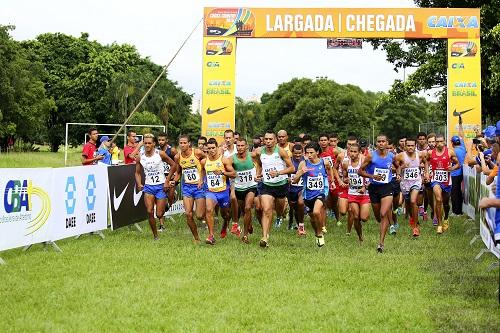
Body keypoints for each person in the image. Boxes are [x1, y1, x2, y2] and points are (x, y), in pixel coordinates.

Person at [252, 130, 295, 247]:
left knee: (279, 210)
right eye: (266, 139)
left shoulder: (281, 152)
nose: (268, 141)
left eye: (270, 139)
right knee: (266, 209)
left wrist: (278, 173)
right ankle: (265, 237)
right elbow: (260, 165)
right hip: (267, 185)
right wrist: (258, 174)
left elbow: (291, 168)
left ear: (275, 140)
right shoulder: (260, 152)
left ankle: (282, 213)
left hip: (281, 185)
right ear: (263, 140)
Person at [359, 134, 397, 253]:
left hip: (387, 186)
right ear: (376, 143)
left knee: (383, 213)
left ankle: (381, 244)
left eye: (383, 141)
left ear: (387, 143)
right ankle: (383, 225)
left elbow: (397, 166)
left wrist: (398, 172)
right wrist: (372, 176)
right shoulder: (371, 156)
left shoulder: (391, 156)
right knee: (377, 215)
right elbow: (360, 171)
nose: (381, 143)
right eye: (379, 141)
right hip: (374, 188)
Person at [292, 142, 336, 247]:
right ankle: (317, 233)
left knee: (317, 212)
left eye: (311, 152)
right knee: (312, 218)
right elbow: (294, 180)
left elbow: (330, 169)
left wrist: (332, 181)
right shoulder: (303, 164)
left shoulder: (324, 162)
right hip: (308, 194)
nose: (309, 155)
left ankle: (320, 233)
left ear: (317, 152)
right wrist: (301, 173)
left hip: (321, 191)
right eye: (307, 153)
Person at [134, 134, 177, 240]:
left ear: (154, 144)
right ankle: (155, 235)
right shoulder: (140, 156)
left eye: (149, 143)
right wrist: (139, 183)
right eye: (145, 143)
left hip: (160, 186)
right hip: (148, 187)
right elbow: (137, 173)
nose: (147, 145)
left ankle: (167, 201)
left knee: (159, 214)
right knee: (149, 211)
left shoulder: (160, 154)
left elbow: (174, 165)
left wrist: (167, 181)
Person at [201, 138, 236, 245]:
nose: (211, 150)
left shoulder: (224, 160)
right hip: (210, 191)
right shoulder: (204, 161)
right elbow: (203, 170)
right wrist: (200, 180)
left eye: (213, 148)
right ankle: (211, 235)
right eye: (209, 149)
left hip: (223, 192)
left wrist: (222, 172)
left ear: (217, 148)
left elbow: (234, 174)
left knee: (225, 214)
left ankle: (225, 223)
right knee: (208, 209)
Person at [424, 134, 461, 234]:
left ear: (444, 142)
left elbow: (458, 164)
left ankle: (446, 217)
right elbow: (426, 161)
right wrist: (427, 173)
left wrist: (452, 168)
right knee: (438, 199)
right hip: (435, 179)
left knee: (445, 203)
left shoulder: (450, 152)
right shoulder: (431, 152)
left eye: (441, 141)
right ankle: (439, 224)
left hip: (446, 180)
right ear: (435, 142)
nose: (439, 144)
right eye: (437, 142)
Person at [174, 134, 207, 243]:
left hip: (199, 186)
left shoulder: (197, 153)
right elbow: (178, 172)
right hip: (187, 187)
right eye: (180, 143)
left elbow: (207, 163)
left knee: (199, 216)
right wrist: (174, 181)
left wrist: (202, 178)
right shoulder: (178, 157)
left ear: (189, 144)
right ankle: (196, 238)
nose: (182, 145)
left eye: (184, 143)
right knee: (188, 214)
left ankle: (208, 217)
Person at [395, 138, 427, 237]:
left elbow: (426, 162)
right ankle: (412, 218)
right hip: (405, 183)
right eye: (408, 145)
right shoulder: (400, 156)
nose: (410, 147)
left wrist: (426, 173)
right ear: (405, 146)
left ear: (415, 145)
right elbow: (394, 167)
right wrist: (400, 170)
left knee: (413, 201)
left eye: (412, 145)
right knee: (408, 203)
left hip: (416, 182)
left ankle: (416, 227)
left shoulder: (420, 154)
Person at [231, 138, 258, 243]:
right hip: (239, 188)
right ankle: (249, 224)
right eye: (238, 146)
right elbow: (227, 168)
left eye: (242, 146)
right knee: (244, 211)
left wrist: (258, 173)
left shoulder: (252, 156)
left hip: (251, 186)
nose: (240, 148)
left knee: (247, 208)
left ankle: (245, 235)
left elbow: (260, 164)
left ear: (246, 146)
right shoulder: (231, 159)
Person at [342, 143, 370, 242]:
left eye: (355, 152)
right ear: (348, 152)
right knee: (356, 216)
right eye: (351, 151)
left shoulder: (364, 162)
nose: (352, 154)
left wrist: (365, 186)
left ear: (359, 153)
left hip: (364, 194)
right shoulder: (346, 163)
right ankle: (360, 237)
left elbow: (371, 176)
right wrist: (346, 181)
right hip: (352, 193)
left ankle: (361, 227)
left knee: (364, 218)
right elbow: (344, 177)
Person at [221, 129, 241, 238]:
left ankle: (235, 223)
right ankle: (225, 223)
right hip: (223, 181)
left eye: (230, 138)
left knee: (233, 198)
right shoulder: (221, 151)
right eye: (226, 138)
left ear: (234, 138)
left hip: (236, 180)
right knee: (224, 210)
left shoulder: (238, 151)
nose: (228, 140)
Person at [157, 132, 178, 232]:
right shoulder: (155, 151)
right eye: (159, 140)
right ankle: (161, 225)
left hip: (171, 178)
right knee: (160, 201)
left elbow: (178, 162)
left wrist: (175, 174)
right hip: (160, 178)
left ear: (166, 140)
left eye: (162, 140)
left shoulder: (172, 150)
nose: (161, 142)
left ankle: (172, 198)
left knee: (168, 200)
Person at [289, 144, 306, 235]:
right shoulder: (289, 161)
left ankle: (301, 225)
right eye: (296, 153)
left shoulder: (306, 161)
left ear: (302, 153)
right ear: (292, 153)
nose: (298, 155)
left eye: (299, 153)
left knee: (300, 203)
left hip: (302, 187)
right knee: (294, 207)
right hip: (291, 188)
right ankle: (296, 223)